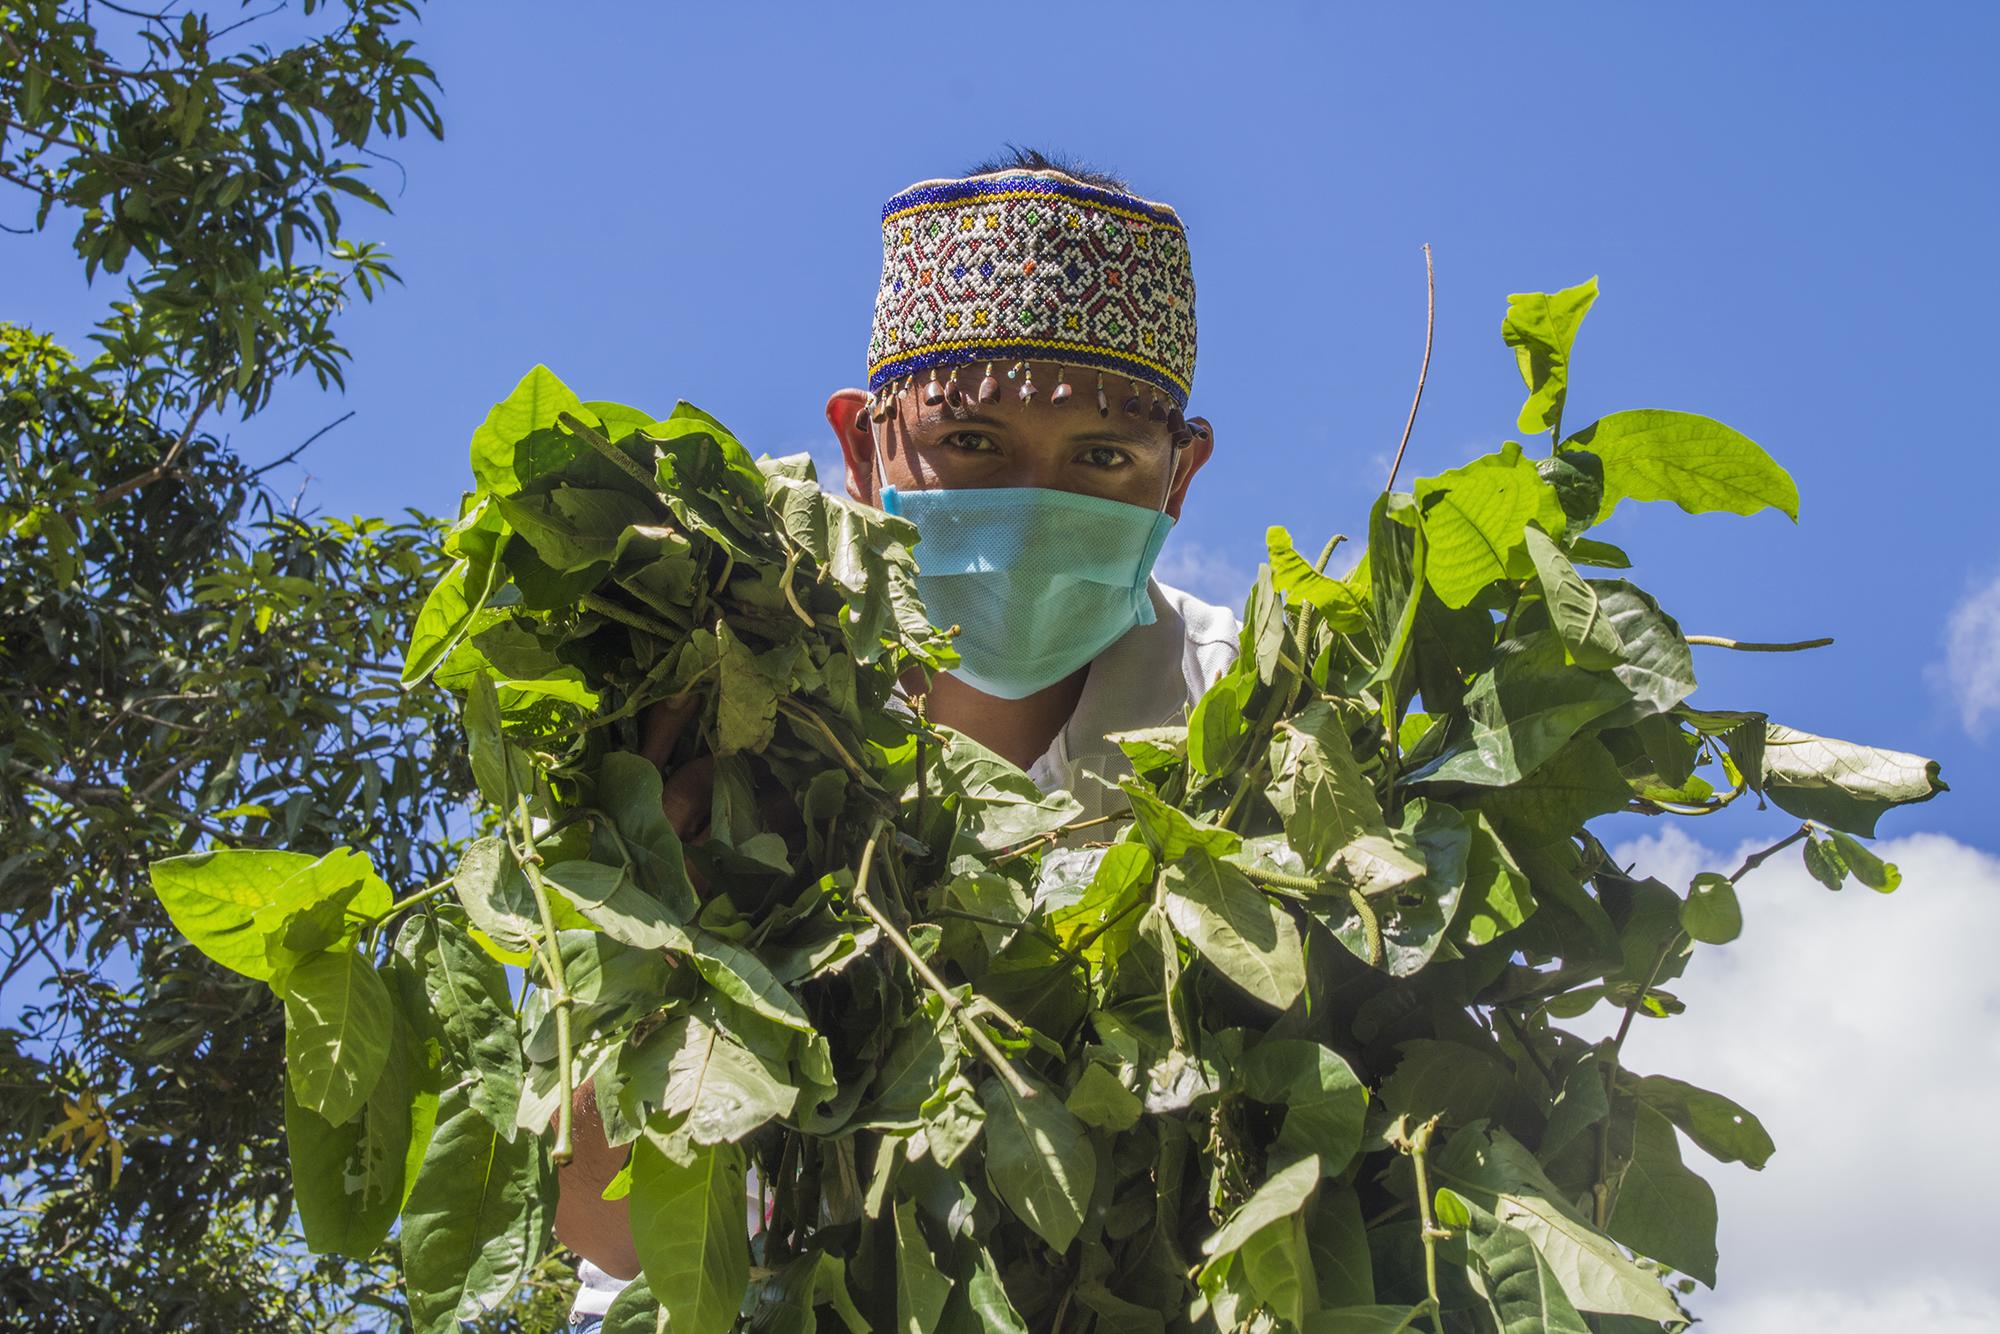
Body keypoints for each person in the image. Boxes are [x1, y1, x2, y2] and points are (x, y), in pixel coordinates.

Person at [557, 146, 1241, 1330]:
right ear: (863, 447)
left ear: (1177, 477)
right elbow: (610, 1223)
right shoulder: (715, 701)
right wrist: (667, 927)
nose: (1034, 501)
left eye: (1099, 457)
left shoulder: (1238, 713)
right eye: (971, 441)